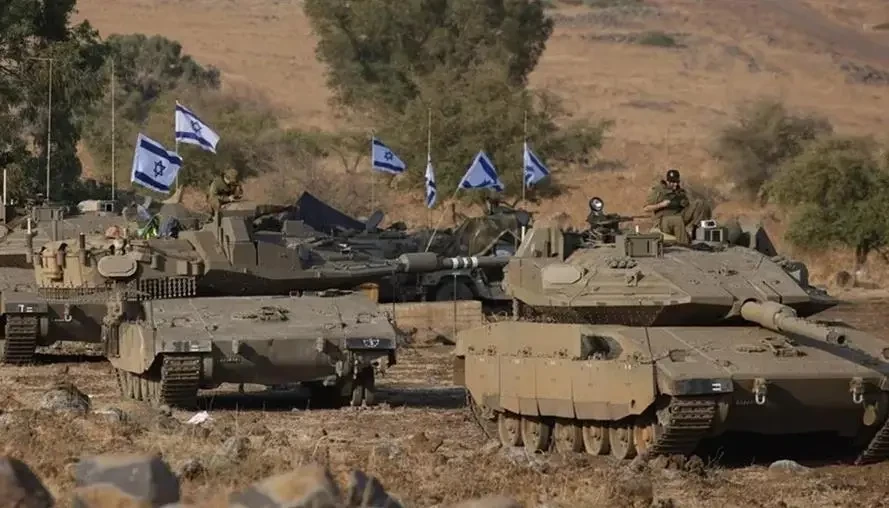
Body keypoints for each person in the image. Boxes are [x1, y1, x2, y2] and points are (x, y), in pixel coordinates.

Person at [642, 169, 712, 244]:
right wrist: (661, 204)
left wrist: (684, 203)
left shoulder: (680, 191)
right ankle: (685, 245)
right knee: (677, 220)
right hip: (663, 221)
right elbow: (646, 208)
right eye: (673, 182)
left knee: (700, 203)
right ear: (667, 181)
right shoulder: (658, 190)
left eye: (677, 182)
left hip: (679, 215)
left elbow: (687, 206)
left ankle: (697, 231)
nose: (675, 184)